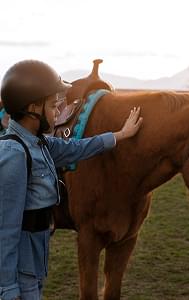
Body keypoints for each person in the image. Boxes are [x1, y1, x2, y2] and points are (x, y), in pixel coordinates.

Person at [0, 60, 143, 300]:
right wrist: (7, 288)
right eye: (54, 105)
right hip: (21, 271)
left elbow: (78, 147)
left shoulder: (39, 143)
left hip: (35, 260)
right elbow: (6, 229)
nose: (58, 112)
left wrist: (120, 135)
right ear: (33, 107)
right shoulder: (15, 155)